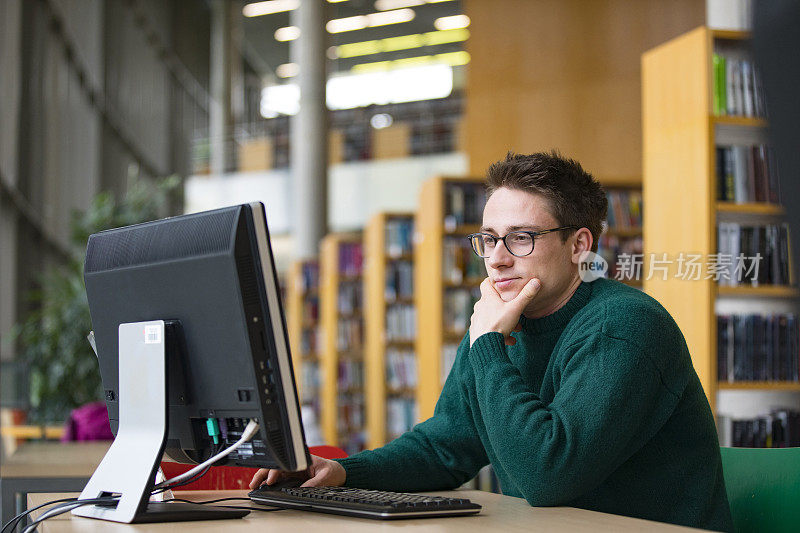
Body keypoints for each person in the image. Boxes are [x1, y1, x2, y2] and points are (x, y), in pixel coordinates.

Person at [251, 151, 733, 532]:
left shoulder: (623, 326)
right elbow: (446, 446)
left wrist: (487, 345)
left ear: (579, 245)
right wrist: (345, 473)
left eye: (521, 238)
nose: (497, 259)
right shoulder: (499, 321)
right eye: (488, 238)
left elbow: (548, 477)